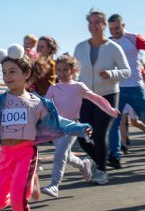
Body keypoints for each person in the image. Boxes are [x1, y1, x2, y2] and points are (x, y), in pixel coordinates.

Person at [0, 44, 92, 211]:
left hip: (26, 154)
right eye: (4, 73)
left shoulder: (38, 103)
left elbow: (60, 122)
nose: (7, 76)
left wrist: (80, 128)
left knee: (18, 198)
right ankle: (26, 187)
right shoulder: (0, 102)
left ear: (26, 74)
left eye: (12, 72)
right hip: (5, 157)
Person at [42, 54, 118, 194]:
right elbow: (44, 106)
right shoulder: (53, 89)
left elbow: (95, 98)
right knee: (67, 156)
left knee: (59, 154)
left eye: (65, 69)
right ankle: (84, 165)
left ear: (73, 71)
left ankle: (54, 185)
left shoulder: (78, 87)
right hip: (56, 128)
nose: (61, 73)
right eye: (58, 70)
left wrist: (109, 109)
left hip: (72, 126)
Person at [74, 9, 130, 183]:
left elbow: (126, 71)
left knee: (99, 134)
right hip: (86, 96)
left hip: (108, 95)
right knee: (82, 135)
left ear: (104, 25)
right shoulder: (80, 47)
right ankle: (101, 159)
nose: (94, 25)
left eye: (97, 22)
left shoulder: (113, 47)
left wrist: (111, 74)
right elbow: (74, 72)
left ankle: (102, 172)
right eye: (91, 22)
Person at [107, 14, 145, 167]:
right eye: (112, 29)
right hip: (117, 89)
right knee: (115, 123)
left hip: (136, 87)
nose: (115, 32)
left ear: (123, 25)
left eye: (117, 28)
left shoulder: (134, 38)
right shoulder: (109, 43)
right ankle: (115, 156)